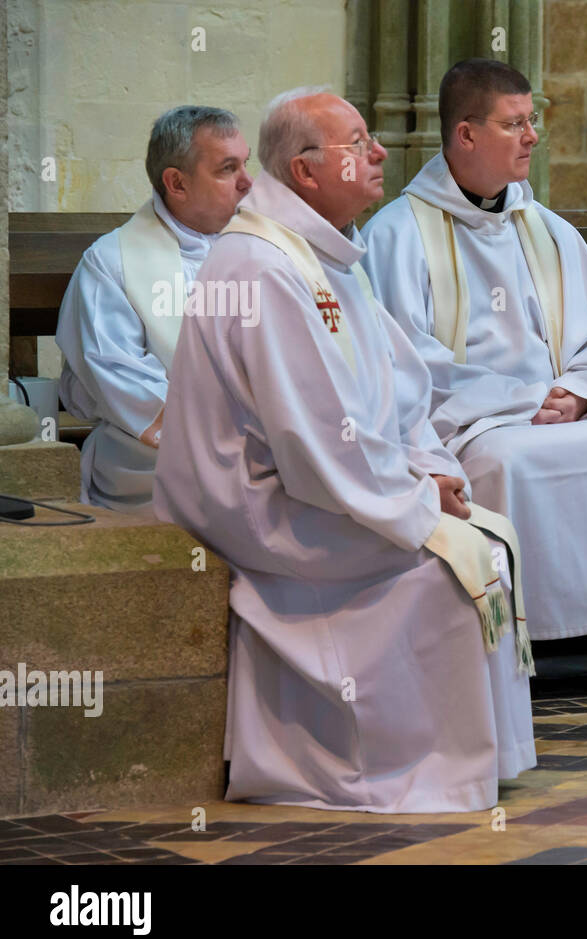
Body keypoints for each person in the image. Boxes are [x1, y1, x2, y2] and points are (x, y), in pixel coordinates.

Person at [153, 87, 535, 812]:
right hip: (263, 509)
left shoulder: (325, 256)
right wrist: (420, 500)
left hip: (319, 485)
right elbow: (315, 438)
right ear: (304, 171)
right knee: (445, 569)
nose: (381, 153)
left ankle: (478, 756)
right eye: (358, 143)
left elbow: (400, 389)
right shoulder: (264, 268)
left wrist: (429, 468)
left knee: (488, 535)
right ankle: (394, 764)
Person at [361, 59, 587, 698]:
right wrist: (524, 399)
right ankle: (516, 648)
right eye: (514, 124)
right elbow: (406, 369)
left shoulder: (550, 233)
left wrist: (582, 392)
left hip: (563, 412)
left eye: (533, 122)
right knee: (507, 462)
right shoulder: (397, 236)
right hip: (472, 425)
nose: (532, 137)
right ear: (465, 135)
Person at [56, 106, 251, 512]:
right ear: (176, 183)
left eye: (246, 164)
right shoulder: (112, 262)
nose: (248, 183)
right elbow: (120, 379)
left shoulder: (262, 248)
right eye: (228, 169)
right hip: (154, 464)